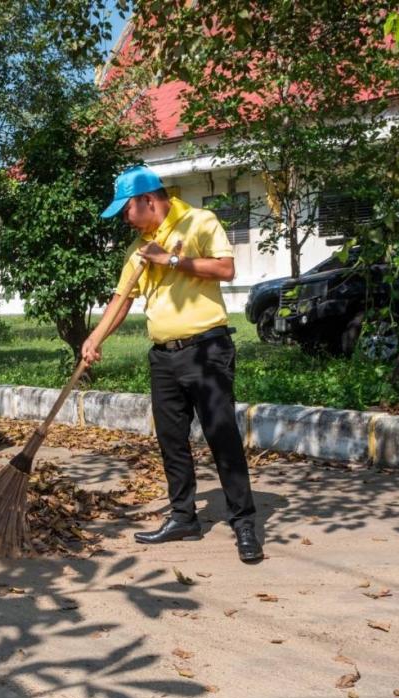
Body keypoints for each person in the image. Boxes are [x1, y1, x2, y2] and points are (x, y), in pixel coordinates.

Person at [81, 165, 263, 563]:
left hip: (207, 350)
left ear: (148, 200)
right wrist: (94, 338)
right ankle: (183, 517)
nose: (124, 220)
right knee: (171, 440)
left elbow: (225, 268)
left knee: (222, 436)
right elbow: (122, 299)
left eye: (126, 210)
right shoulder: (139, 250)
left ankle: (244, 522)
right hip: (163, 356)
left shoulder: (199, 222)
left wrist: (171, 260)